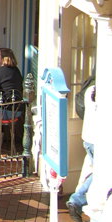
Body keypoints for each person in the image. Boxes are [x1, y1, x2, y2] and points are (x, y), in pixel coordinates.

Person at [67, 77, 97, 222]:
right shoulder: (99, 90)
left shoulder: (90, 86)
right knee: (101, 173)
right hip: (98, 140)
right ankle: (77, 200)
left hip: (88, 136)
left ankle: (78, 200)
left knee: (93, 170)